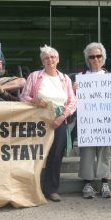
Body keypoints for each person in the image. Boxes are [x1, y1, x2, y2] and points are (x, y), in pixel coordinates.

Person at [20, 45, 77, 202]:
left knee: (56, 154)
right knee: (36, 153)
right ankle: (33, 188)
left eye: (52, 57)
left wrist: (62, 117)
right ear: (42, 61)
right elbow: (23, 97)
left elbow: (72, 102)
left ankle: (51, 189)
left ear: (58, 60)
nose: (49, 60)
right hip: (38, 121)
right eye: (46, 58)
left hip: (59, 120)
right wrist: (34, 100)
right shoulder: (34, 76)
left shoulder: (65, 79)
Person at [73, 42, 111, 199]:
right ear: (87, 59)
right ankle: (87, 183)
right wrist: (73, 90)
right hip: (88, 124)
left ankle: (104, 182)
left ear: (103, 58)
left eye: (98, 56)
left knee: (105, 153)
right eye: (92, 56)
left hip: (106, 124)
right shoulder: (81, 78)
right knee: (87, 153)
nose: (95, 59)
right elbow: (72, 100)